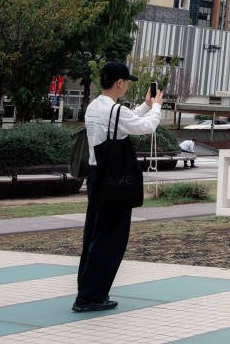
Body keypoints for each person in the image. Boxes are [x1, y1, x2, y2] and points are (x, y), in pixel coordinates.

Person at [73, 61, 162, 313]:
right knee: (111, 239)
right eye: (126, 82)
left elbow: (123, 121)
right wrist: (156, 106)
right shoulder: (115, 111)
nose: (126, 86)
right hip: (115, 180)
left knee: (95, 234)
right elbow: (144, 127)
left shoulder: (94, 107)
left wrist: (145, 106)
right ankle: (90, 297)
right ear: (119, 83)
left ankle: (88, 290)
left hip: (97, 176)